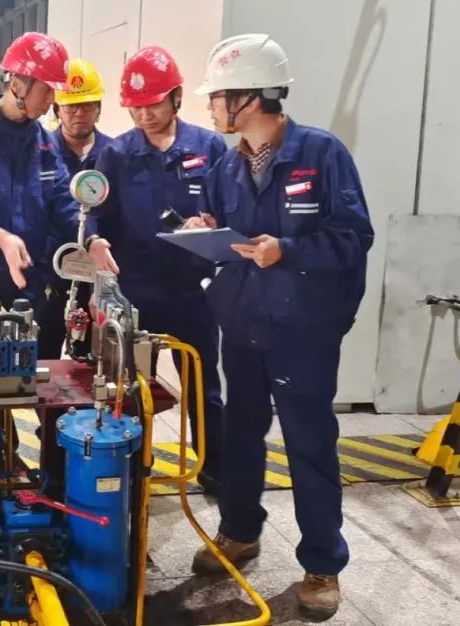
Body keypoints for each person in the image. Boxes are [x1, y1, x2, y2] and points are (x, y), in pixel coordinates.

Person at [187, 34, 374, 619]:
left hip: (303, 332)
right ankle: (240, 532)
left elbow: (353, 237)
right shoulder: (226, 166)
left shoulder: (322, 154)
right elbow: (222, 230)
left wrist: (286, 251)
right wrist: (204, 229)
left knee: (309, 444)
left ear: (249, 98)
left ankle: (322, 563)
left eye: (217, 97)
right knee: (241, 435)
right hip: (244, 325)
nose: (211, 107)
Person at [92, 45, 226, 491]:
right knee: (129, 389)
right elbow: (98, 215)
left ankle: (213, 467)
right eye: (135, 108)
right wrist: (94, 241)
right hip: (136, 291)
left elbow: (228, 207)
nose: (144, 116)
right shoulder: (117, 154)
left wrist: (212, 223)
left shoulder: (208, 147)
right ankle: (132, 472)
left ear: (176, 97)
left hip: (192, 290)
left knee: (203, 387)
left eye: (153, 104)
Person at [0, 33, 118, 340]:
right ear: (19, 85)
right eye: (47, 90)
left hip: (29, 281)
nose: (52, 101)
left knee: (26, 366)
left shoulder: (43, 142)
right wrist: (0, 237)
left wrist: (91, 239)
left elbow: (63, 199)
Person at [38, 59, 114, 360]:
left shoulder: (115, 154)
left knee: (94, 363)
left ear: (98, 109)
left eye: (86, 105)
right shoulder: (40, 152)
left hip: (97, 277)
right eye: (70, 106)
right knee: (41, 361)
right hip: (48, 276)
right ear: (57, 110)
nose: (79, 113)